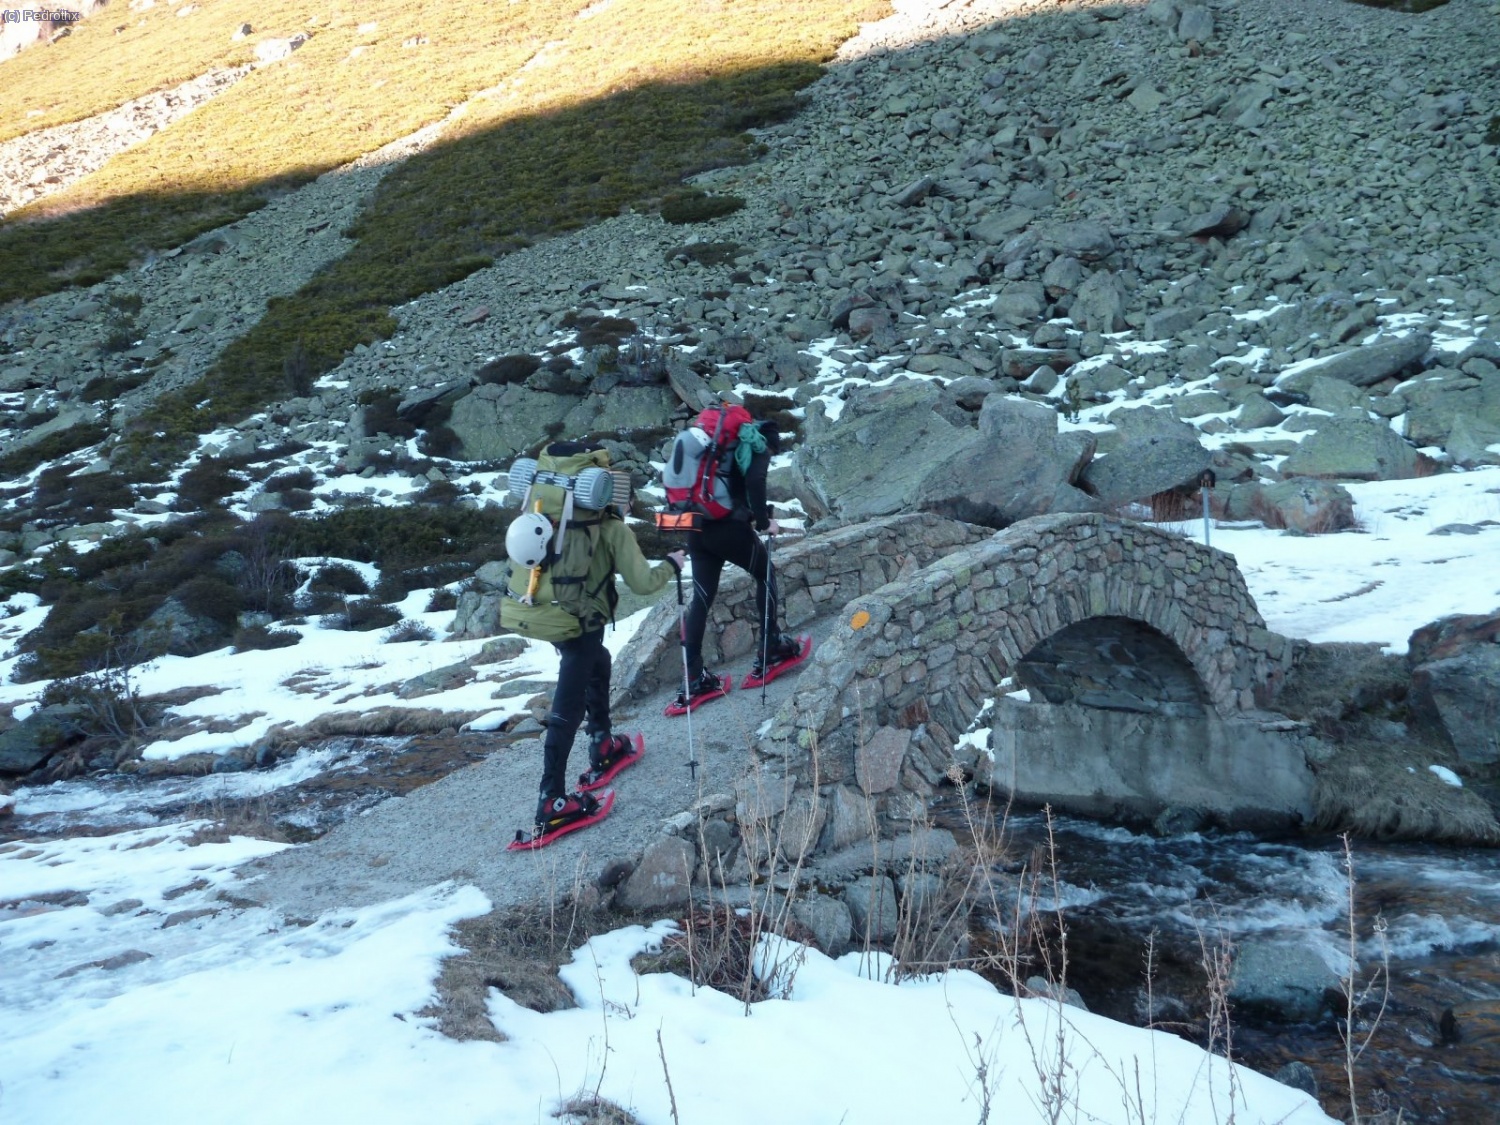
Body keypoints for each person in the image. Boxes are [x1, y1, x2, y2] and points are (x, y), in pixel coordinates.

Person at [502, 441, 685, 838]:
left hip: (538, 611)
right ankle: (551, 800)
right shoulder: (612, 529)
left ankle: (602, 741)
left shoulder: (546, 515)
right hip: (579, 622)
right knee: (566, 706)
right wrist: (672, 564)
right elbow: (644, 582)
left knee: (598, 662)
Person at [677, 414, 800, 709]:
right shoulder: (757, 445)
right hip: (729, 529)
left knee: (701, 599)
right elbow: (756, 480)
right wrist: (762, 522)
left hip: (697, 529)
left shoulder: (714, 448)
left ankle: (694, 677)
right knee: (765, 573)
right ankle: (770, 648)